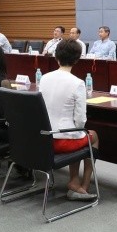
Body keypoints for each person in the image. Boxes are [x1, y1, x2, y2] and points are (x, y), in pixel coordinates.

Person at [39, 38, 99, 201]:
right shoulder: (77, 83)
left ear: (56, 57)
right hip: (60, 141)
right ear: (77, 59)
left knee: (77, 133)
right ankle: (81, 185)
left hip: (43, 138)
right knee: (92, 136)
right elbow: (80, 121)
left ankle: (75, 182)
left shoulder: (44, 78)